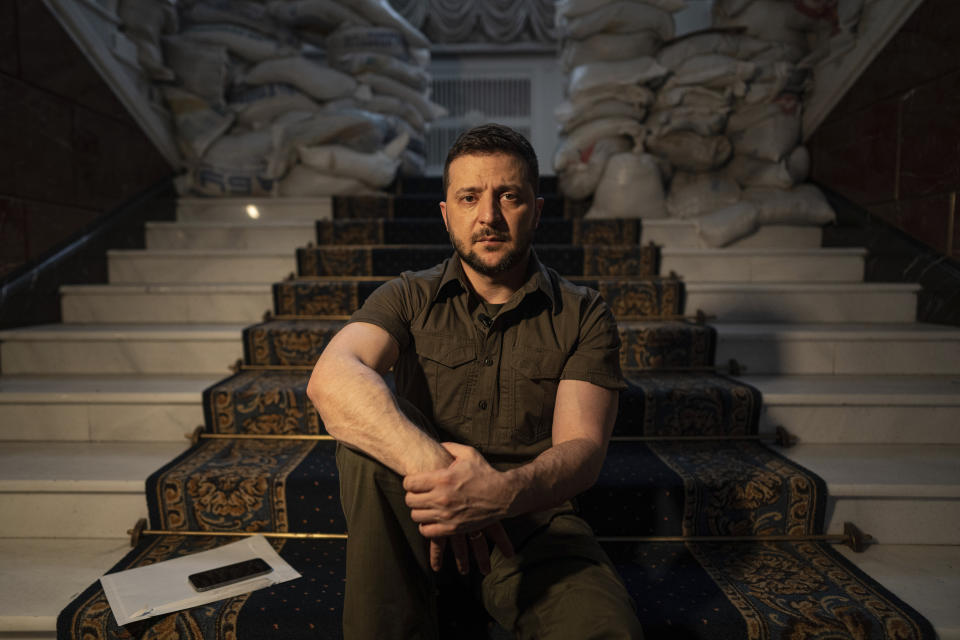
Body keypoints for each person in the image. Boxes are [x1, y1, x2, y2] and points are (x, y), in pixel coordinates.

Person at [307, 123, 642, 639]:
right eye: (469, 198)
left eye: (508, 196)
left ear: (537, 209)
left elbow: (583, 450)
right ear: (447, 214)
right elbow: (331, 379)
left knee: (604, 630)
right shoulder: (406, 296)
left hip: (534, 528)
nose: (488, 216)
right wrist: (444, 475)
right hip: (421, 519)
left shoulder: (584, 313)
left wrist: (499, 496)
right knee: (365, 435)